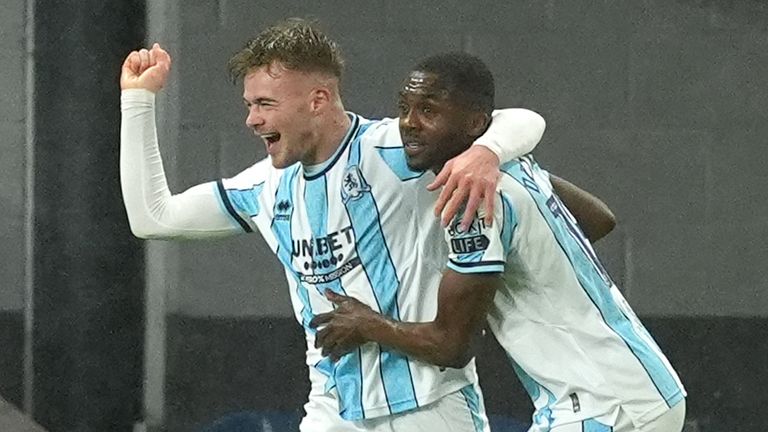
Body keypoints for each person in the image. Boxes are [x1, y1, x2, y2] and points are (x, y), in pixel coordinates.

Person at [120, 19, 548, 431]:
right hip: (334, 410)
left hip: (432, 405)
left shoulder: (395, 150)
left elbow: (524, 120)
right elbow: (152, 217)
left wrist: (486, 152)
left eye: (265, 104)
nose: (251, 119)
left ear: (318, 100)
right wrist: (138, 100)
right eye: (250, 105)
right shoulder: (263, 187)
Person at [310, 53, 687, 431]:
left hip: (601, 406)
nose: (408, 123)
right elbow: (600, 220)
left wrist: (366, 323)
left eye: (428, 110)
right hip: (646, 387)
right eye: (404, 108)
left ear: (476, 123)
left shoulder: (472, 200)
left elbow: (451, 346)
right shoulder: (518, 166)